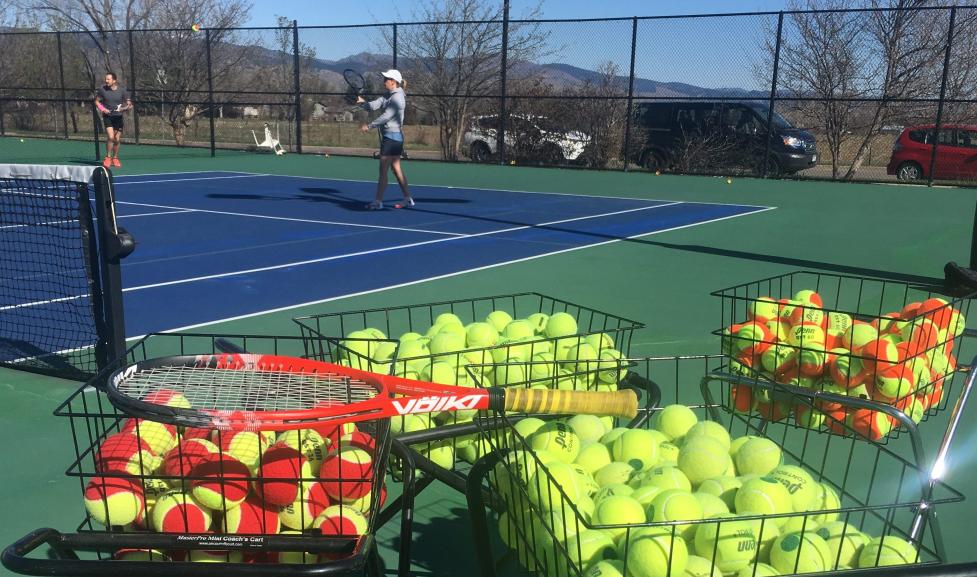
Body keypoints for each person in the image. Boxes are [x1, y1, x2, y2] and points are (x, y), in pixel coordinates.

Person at [357, 69, 414, 210]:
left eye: (386, 79)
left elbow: (386, 116)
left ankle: (378, 202)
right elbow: (376, 104)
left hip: (391, 138)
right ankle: (408, 199)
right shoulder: (389, 95)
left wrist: (369, 126)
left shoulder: (397, 98)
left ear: (393, 82)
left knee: (383, 170)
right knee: (396, 169)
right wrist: (363, 103)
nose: (384, 82)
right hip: (395, 138)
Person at [95, 72, 132, 168]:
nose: (106, 81)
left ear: (114, 80)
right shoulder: (102, 90)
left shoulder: (123, 91)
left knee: (117, 139)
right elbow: (96, 101)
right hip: (108, 117)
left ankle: (115, 158)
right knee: (111, 137)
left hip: (118, 117)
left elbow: (129, 104)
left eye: (108, 79)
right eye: (106, 79)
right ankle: (108, 157)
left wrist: (124, 108)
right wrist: (103, 109)